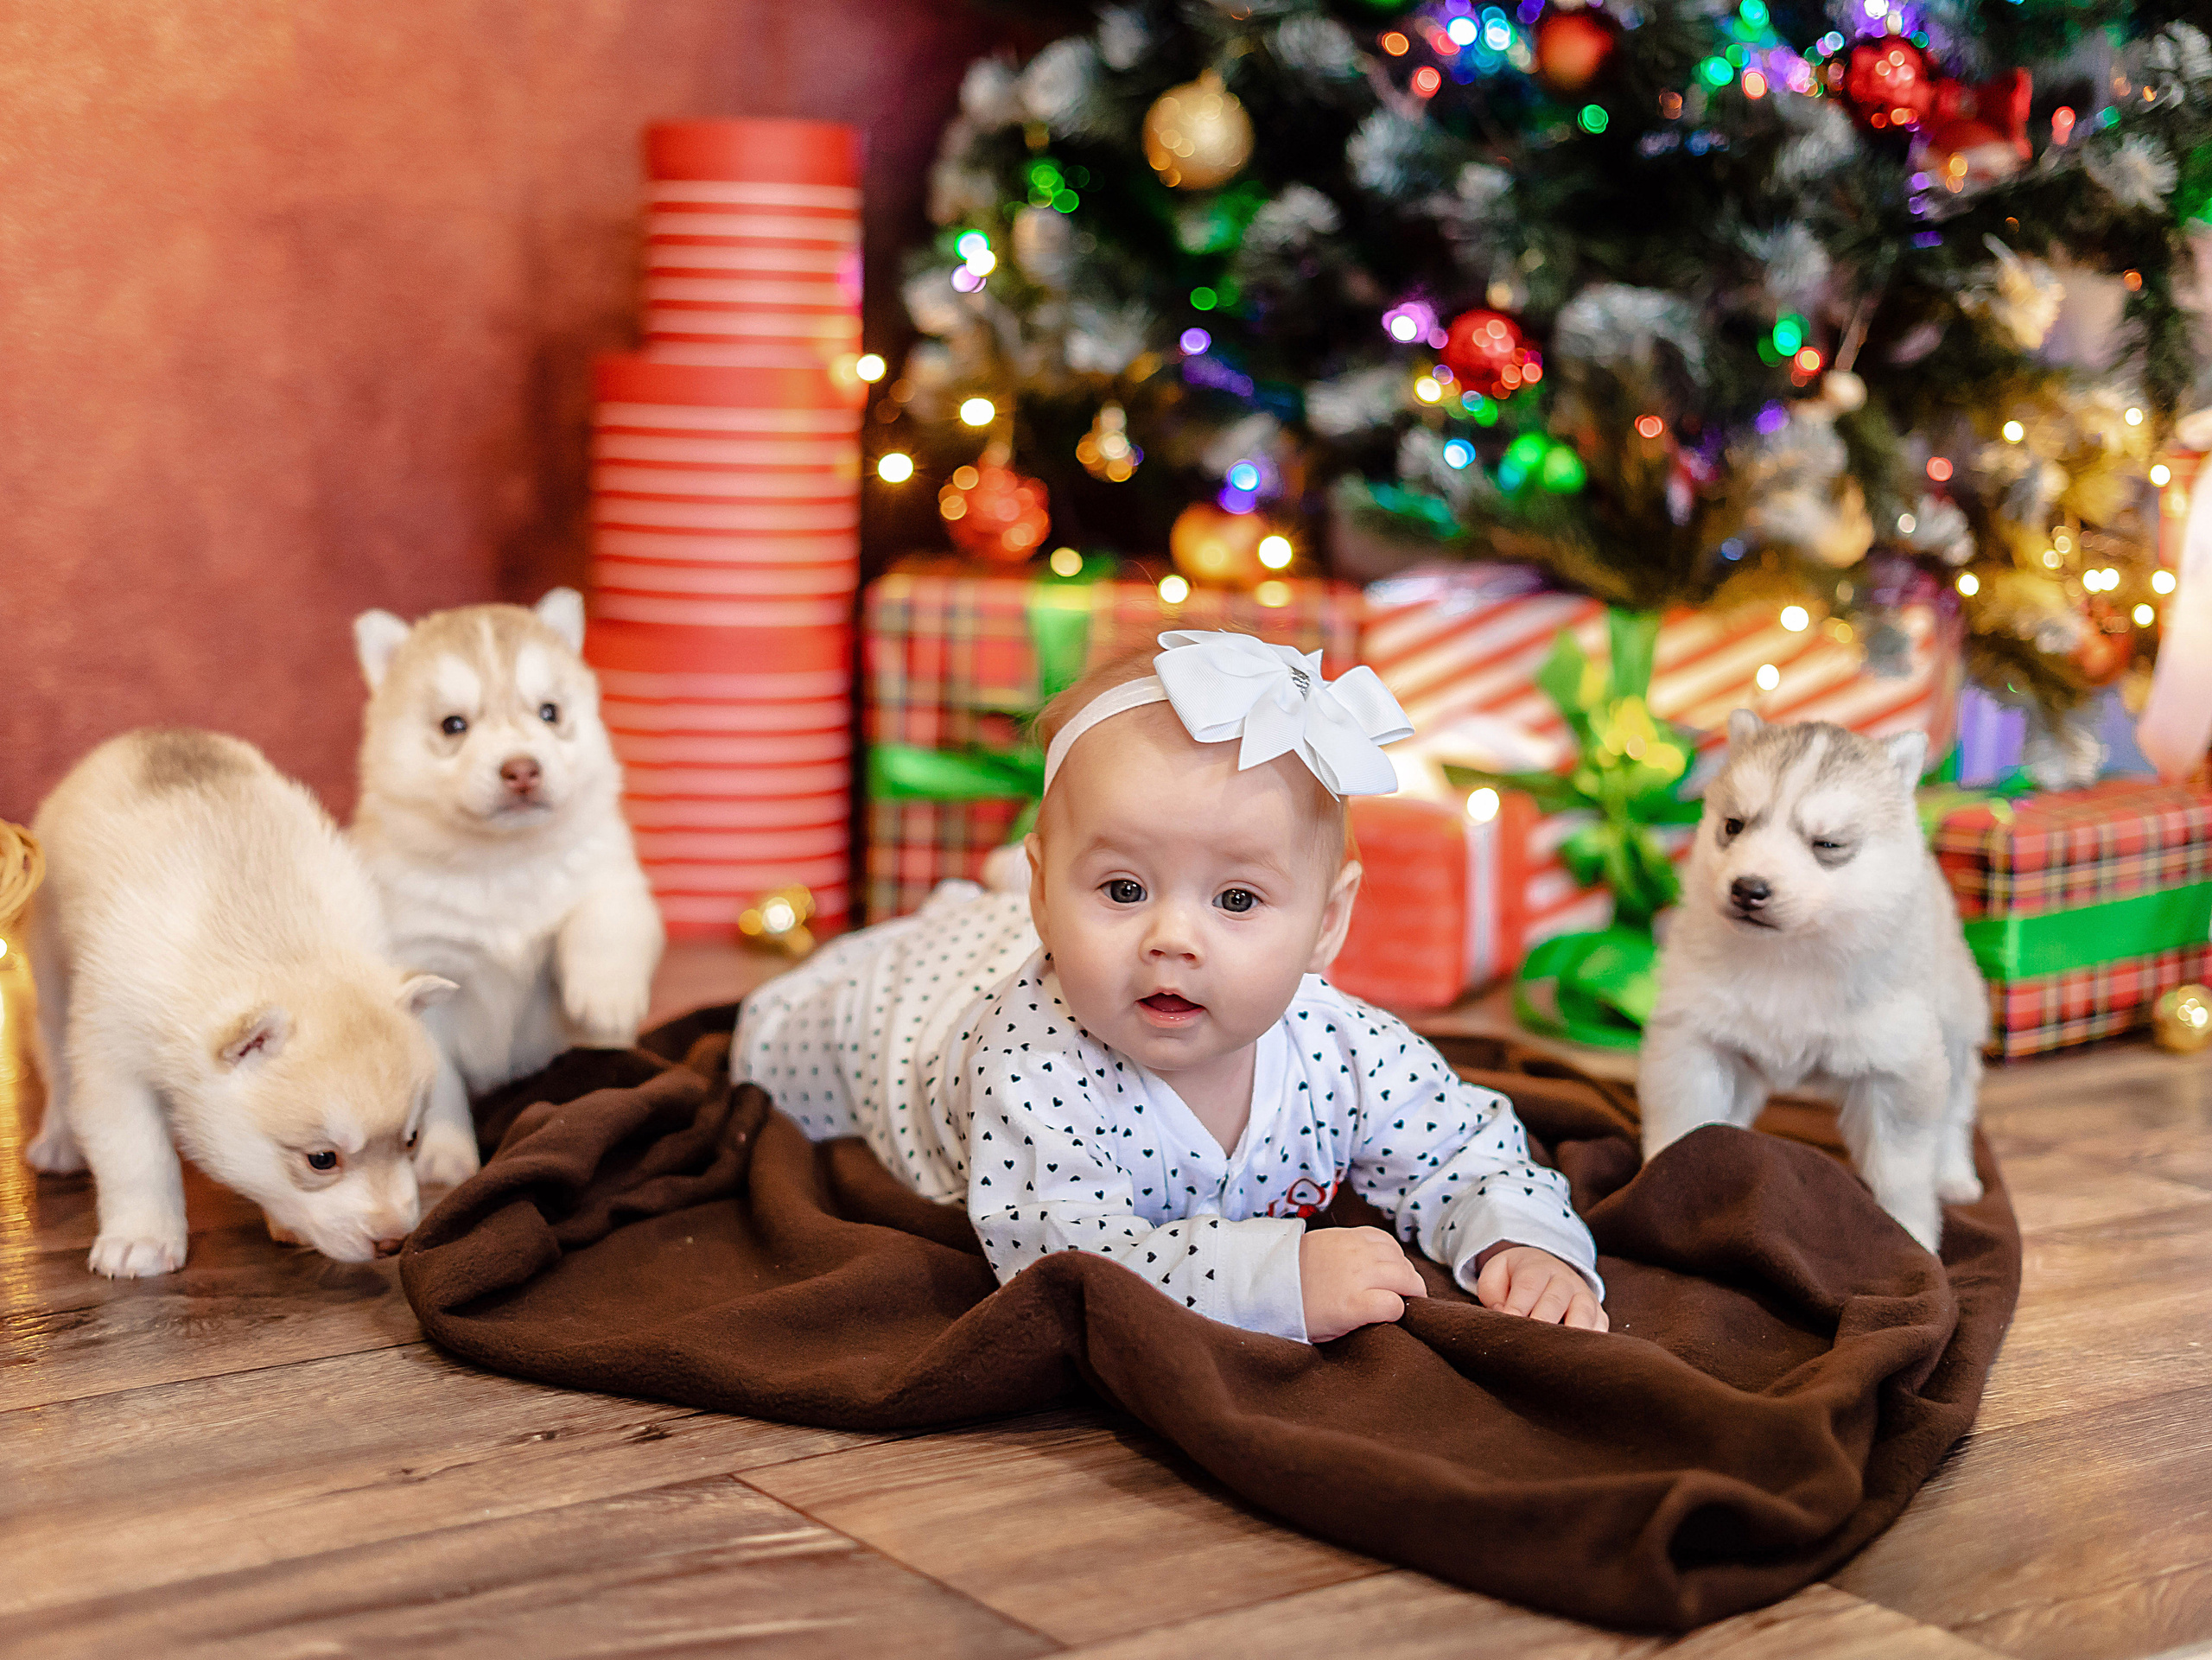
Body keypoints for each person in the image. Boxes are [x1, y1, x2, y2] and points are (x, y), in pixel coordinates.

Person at [734, 631, 1606, 1343]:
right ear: (1051, 890)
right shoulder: (1030, 1067)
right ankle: (992, 909)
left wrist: (1524, 1241)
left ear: (1327, 923)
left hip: (1041, 934)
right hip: (914, 1006)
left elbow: (1462, 1145)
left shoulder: (1341, 1045)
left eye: (1235, 899)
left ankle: (1040, 894)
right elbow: (1068, 1260)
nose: (1172, 939)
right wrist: (1275, 1280)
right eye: (1125, 889)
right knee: (772, 1049)